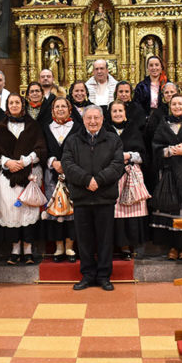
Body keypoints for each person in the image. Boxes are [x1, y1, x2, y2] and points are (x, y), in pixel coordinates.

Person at [62, 105, 124, 291]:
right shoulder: (72, 140)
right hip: (82, 198)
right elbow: (67, 164)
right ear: (83, 119)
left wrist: (99, 180)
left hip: (105, 198)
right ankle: (88, 275)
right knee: (84, 240)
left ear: (103, 119)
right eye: (89, 118)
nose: (93, 121)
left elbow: (117, 165)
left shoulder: (113, 139)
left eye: (96, 117)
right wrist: (86, 180)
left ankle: (104, 276)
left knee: (105, 240)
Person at [0, 93, 47, 265]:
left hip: (29, 174)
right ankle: (15, 249)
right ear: (7, 106)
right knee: (12, 211)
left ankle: (28, 249)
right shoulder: (1, 127)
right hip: (8, 176)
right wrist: (7, 162)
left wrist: (26, 161)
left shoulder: (33, 125)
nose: (14, 105)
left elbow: (41, 149)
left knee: (28, 210)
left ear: (23, 105)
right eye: (11, 103)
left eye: (17, 102)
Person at [149, 94, 182, 261]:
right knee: (170, 210)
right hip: (168, 174)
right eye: (174, 104)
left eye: (180, 104)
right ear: (169, 106)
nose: (177, 107)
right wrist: (169, 151)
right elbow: (155, 147)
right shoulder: (163, 124)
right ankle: (173, 247)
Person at [42, 97, 83, 263]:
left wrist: (66, 165)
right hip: (51, 173)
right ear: (52, 110)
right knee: (55, 210)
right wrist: (53, 162)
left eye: (63, 106)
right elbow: (42, 148)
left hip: (72, 174)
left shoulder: (78, 128)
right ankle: (58, 247)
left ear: (69, 109)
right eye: (57, 106)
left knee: (71, 210)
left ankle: (69, 246)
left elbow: (81, 149)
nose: (60, 109)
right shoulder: (46, 128)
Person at [107, 100, 148, 261]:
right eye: (114, 111)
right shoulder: (105, 131)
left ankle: (134, 245)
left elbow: (143, 155)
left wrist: (129, 155)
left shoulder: (134, 130)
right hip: (112, 177)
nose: (117, 114)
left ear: (125, 113)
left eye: (120, 111)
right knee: (116, 212)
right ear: (110, 114)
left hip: (132, 176)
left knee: (133, 211)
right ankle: (120, 246)